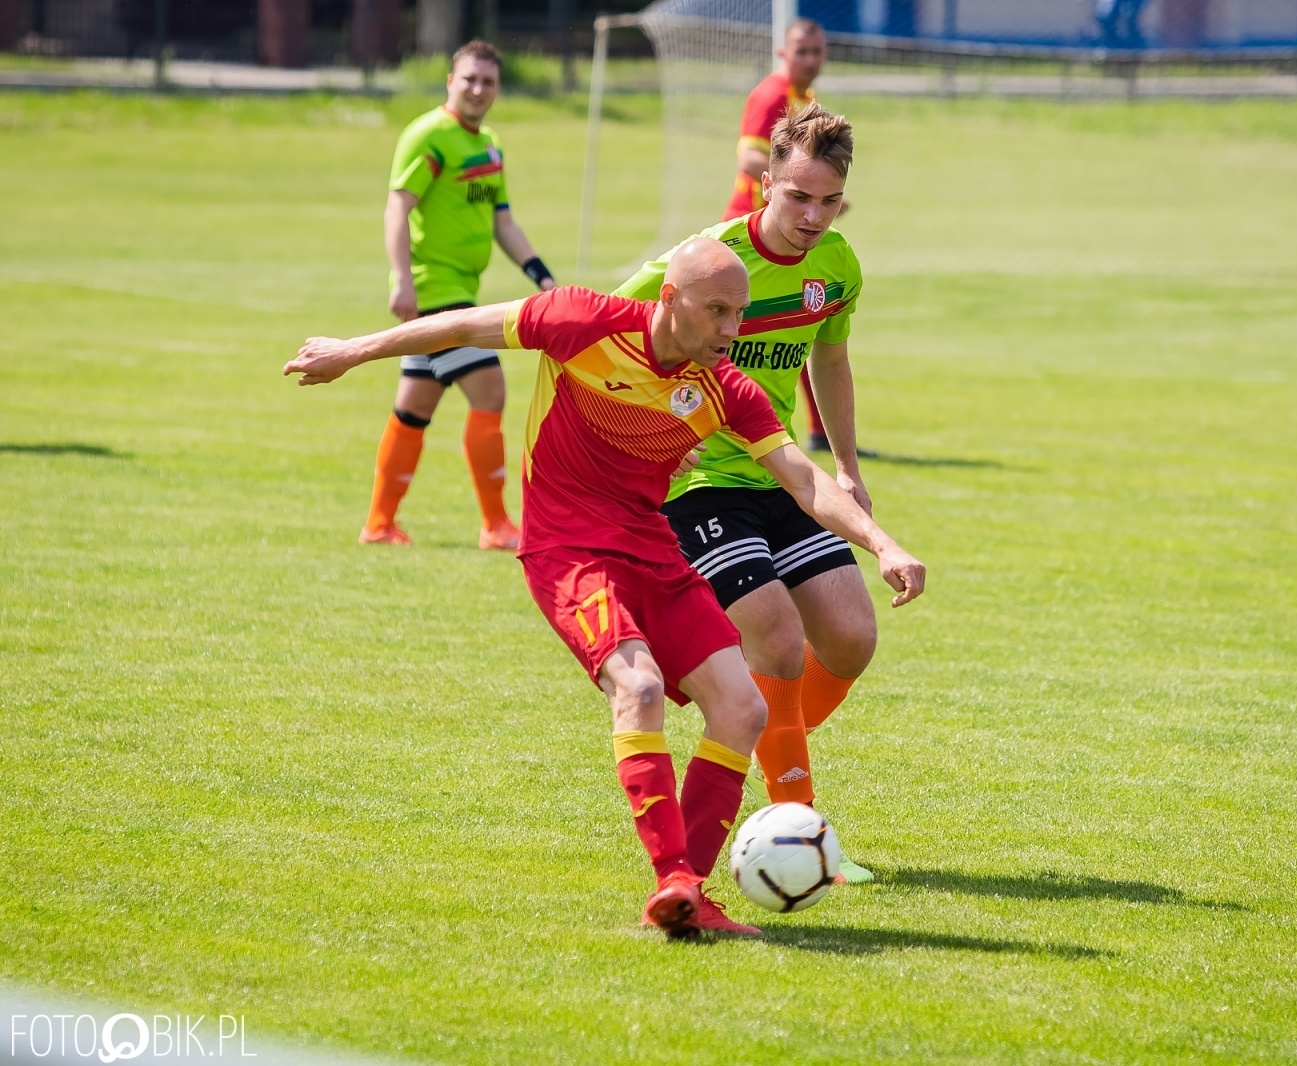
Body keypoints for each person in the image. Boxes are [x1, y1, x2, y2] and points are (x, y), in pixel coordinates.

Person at [283, 239, 926, 940]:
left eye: (739, 314)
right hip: (567, 548)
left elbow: (803, 480)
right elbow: (460, 326)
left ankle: (693, 894)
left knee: (740, 706)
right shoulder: (582, 321)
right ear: (669, 297)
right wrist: (351, 350)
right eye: (716, 311)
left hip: (653, 548)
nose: (730, 331)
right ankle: (673, 880)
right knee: (640, 689)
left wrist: (882, 542)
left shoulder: (725, 389)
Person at [616, 103, 878, 884]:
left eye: (828, 200)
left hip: (783, 469)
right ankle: (797, 829)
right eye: (797, 196)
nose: (811, 215)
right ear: (766, 183)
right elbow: (615, 323)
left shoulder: (837, 265)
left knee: (851, 638)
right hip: (698, 479)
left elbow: (827, 361)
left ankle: (759, 730)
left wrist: (848, 466)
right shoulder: (710, 261)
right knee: (776, 640)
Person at [365, 39, 558, 548]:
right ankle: (497, 525)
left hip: (458, 289)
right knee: (490, 390)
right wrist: (402, 279)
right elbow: (396, 208)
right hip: (436, 291)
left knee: (414, 406)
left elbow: (503, 222)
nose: (477, 89)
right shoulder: (428, 135)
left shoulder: (488, 143)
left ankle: (379, 525)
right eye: (469, 79)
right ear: (450, 80)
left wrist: (541, 276)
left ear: (498, 89)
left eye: (488, 81)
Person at [726, 17, 835, 453]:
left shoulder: (805, 99)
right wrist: (801, 194)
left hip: (785, 236)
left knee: (802, 324)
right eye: (801, 51)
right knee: (732, 336)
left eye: (816, 51)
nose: (809, 59)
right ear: (782, 53)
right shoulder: (771, 94)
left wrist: (814, 201)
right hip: (752, 234)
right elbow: (750, 155)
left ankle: (815, 432)